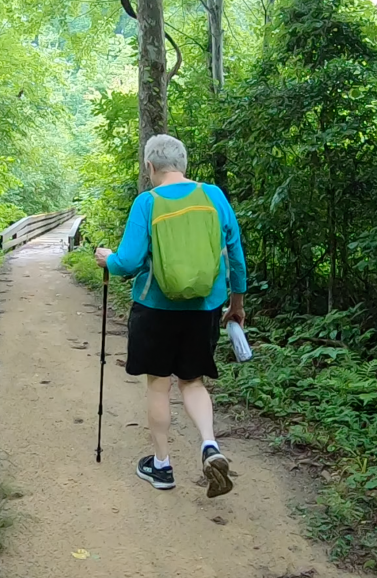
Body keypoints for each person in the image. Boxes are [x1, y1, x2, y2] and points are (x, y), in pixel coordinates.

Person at [95, 134, 247, 498]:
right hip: (205, 309)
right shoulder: (214, 196)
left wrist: (107, 259)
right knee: (193, 382)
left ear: (150, 166)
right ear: (184, 163)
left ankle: (162, 466)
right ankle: (209, 445)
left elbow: (128, 262)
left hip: (155, 310)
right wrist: (236, 304)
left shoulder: (147, 203)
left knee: (158, 384)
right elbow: (236, 256)